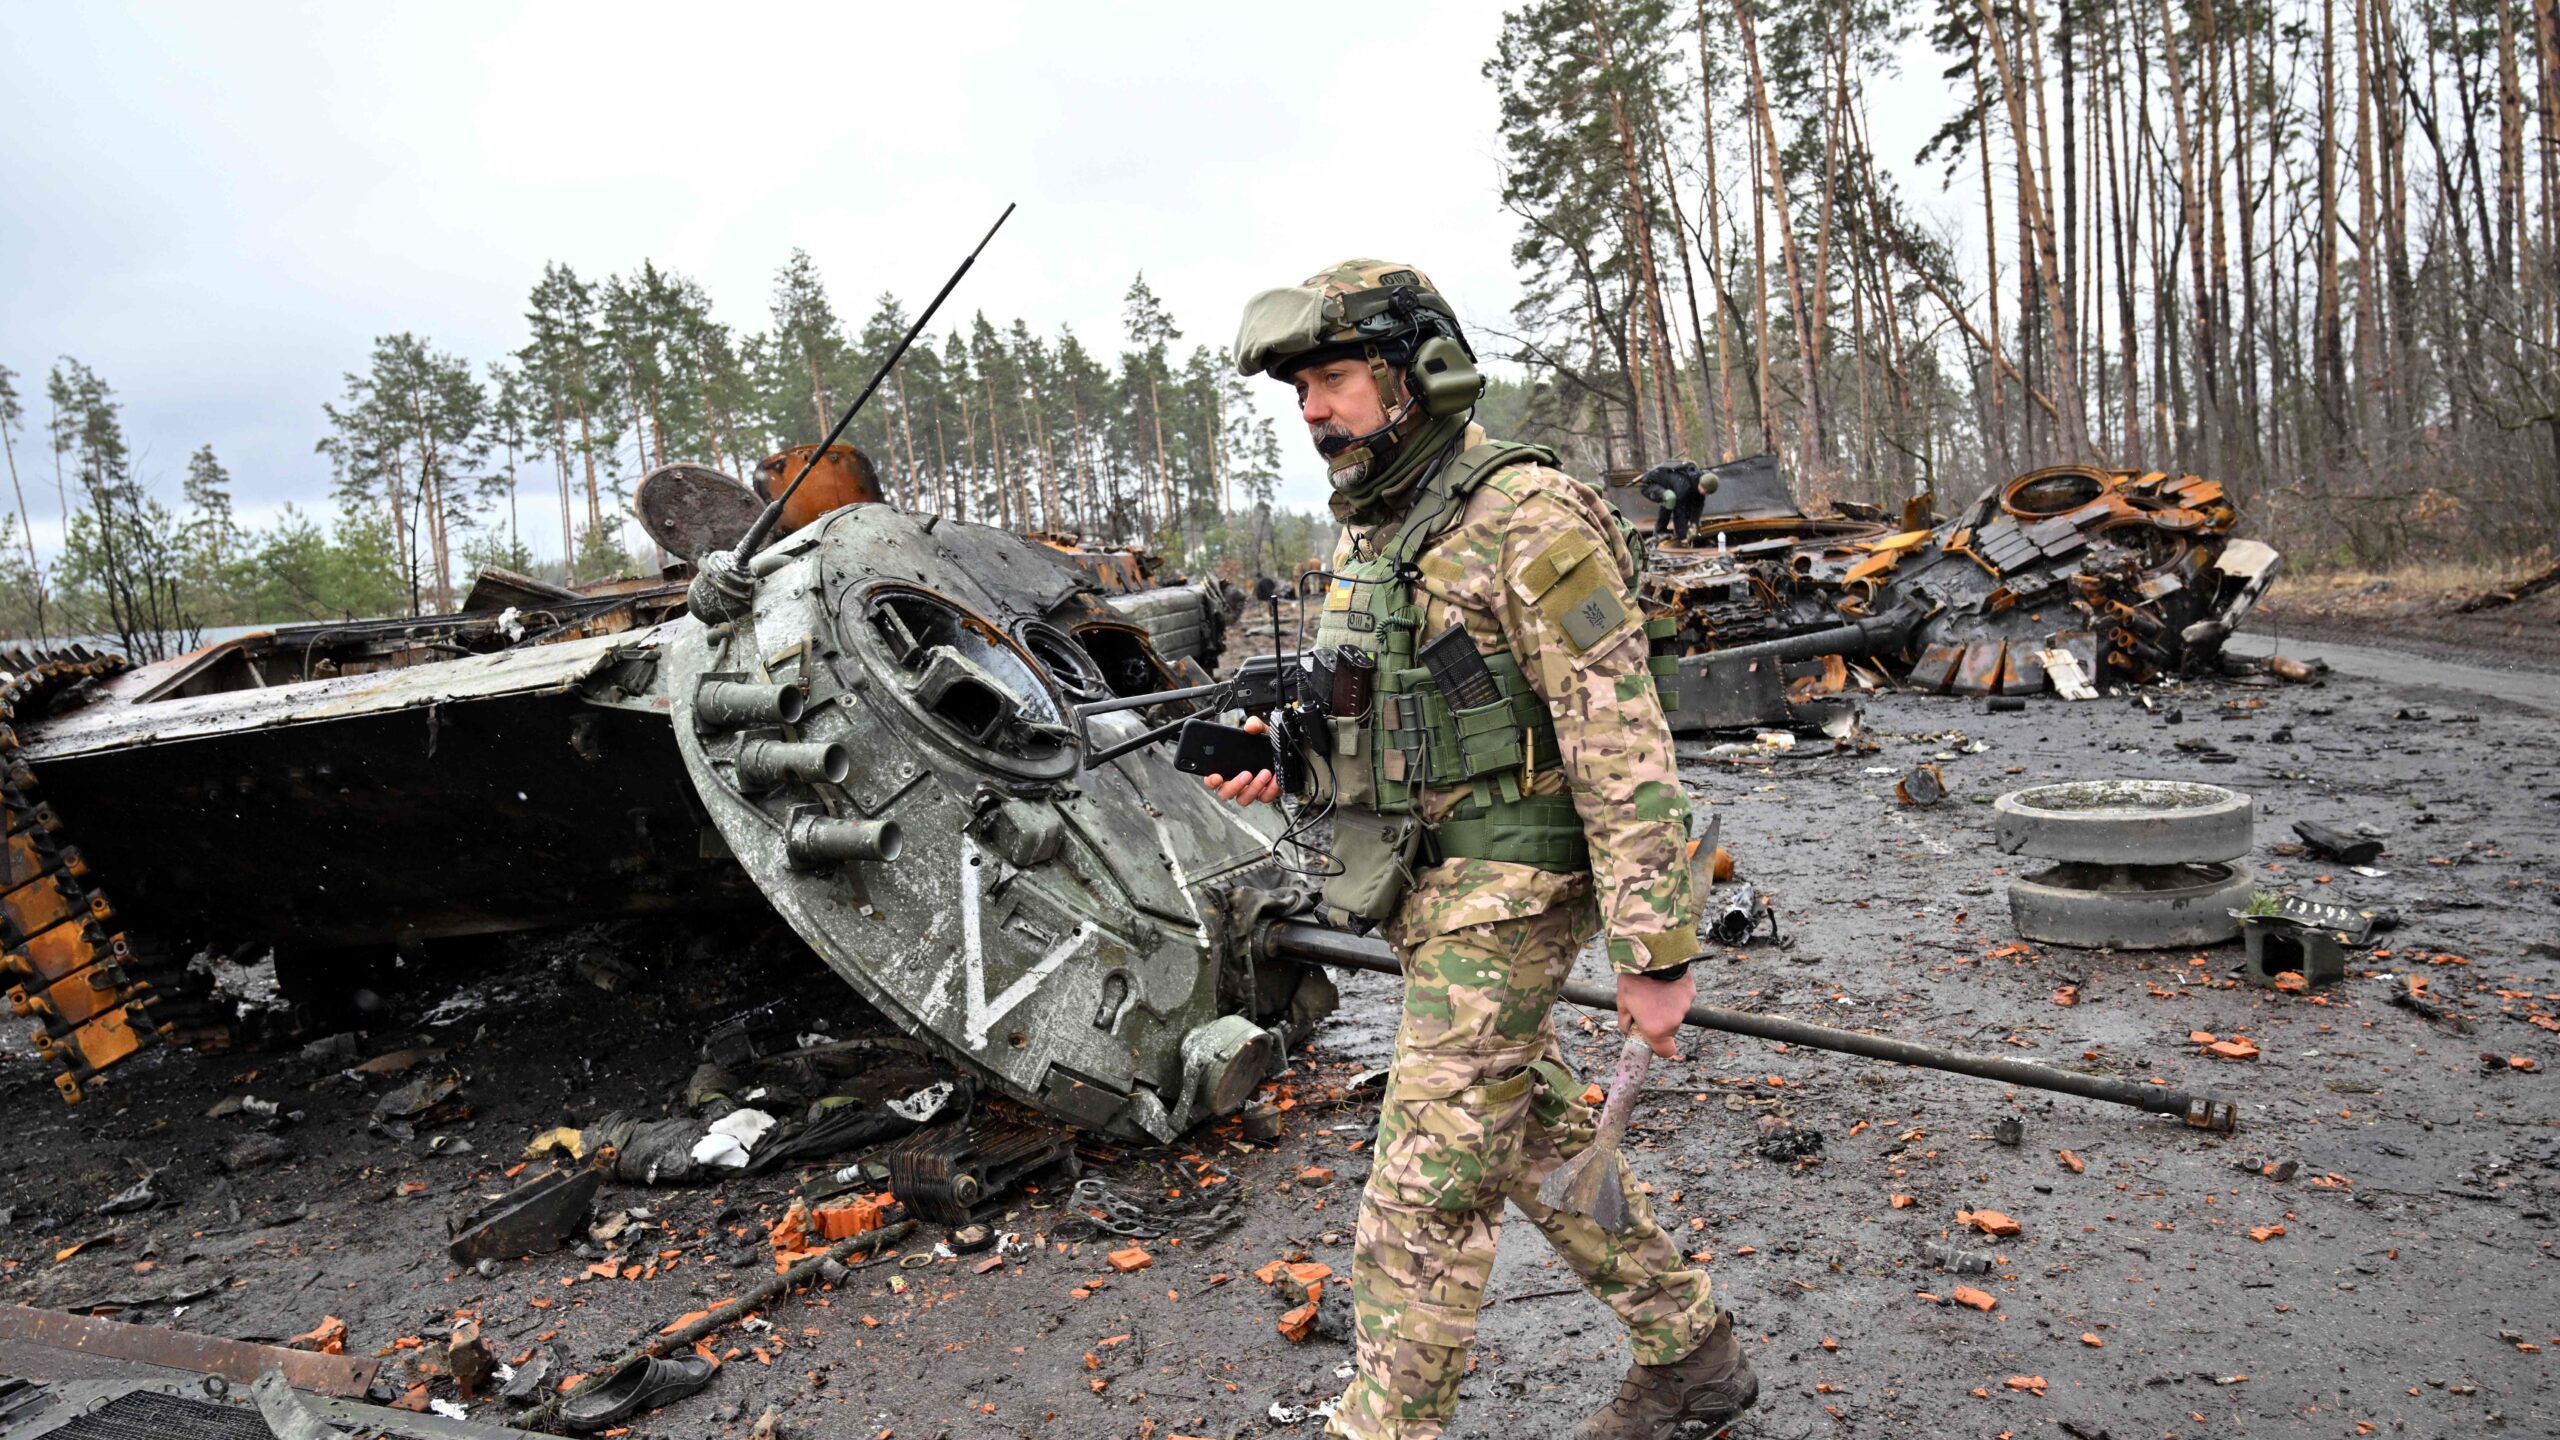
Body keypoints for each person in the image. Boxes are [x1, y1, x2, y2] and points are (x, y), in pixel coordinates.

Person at [1213, 260, 1758, 1440]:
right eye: (1301, 387)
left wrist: (1657, 948)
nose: (1314, 409)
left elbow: (1619, 739)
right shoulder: (1377, 526)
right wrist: (1287, 754)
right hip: (1426, 880)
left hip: (1512, 879)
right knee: (1524, 1130)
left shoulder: (1528, 515)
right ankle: (1689, 1348)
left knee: (1426, 1182)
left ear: (1420, 375)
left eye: (1337, 379)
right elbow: (1396, 723)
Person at [1633, 460, 1707, 545]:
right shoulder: (1683, 485)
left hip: (1667, 485)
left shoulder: (1698, 482)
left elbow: (1698, 506)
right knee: (1670, 498)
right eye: (1705, 491)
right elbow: (1680, 511)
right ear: (1701, 485)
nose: (1706, 494)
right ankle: (1660, 531)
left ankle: (1675, 531)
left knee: (1678, 499)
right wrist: (1683, 537)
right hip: (1648, 484)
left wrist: (1694, 524)